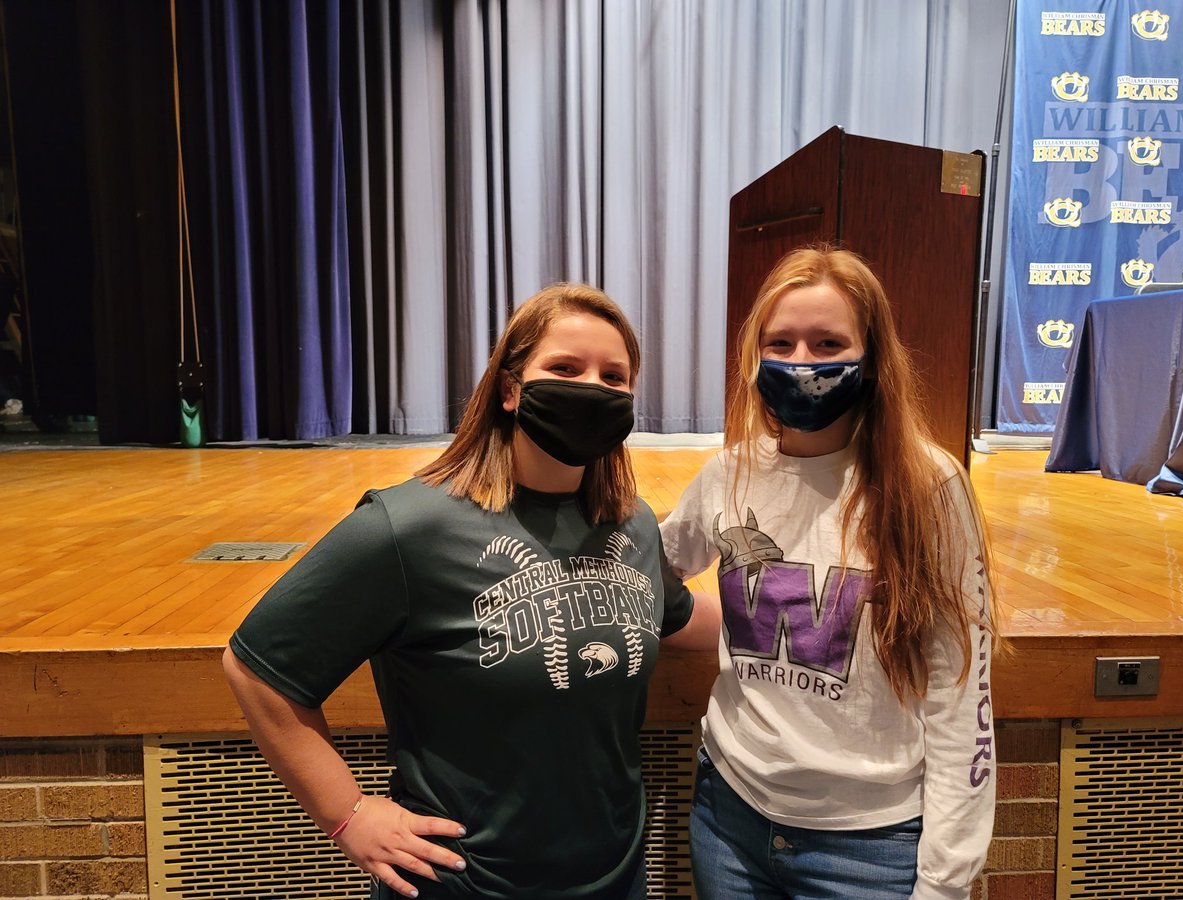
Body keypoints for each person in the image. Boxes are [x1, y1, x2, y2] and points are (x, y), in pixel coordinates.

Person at [223, 282, 719, 900]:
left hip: (614, 881)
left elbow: (677, 616)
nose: (592, 389)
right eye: (565, 368)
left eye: (613, 378)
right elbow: (259, 666)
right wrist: (346, 815)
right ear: (511, 389)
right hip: (464, 884)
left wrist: (803, 613)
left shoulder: (632, 522)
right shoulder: (407, 527)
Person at [660, 246, 996, 900]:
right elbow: (651, 566)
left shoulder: (929, 489)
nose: (802, 363)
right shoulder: (729, 473)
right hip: (728, 820)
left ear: (871, 357)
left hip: (868, 850)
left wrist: (944, 882)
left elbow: (962, 703)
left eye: (827, 343)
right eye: (780, 342)